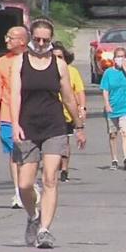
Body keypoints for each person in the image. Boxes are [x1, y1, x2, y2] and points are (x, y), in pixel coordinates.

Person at [10, 18, 86, 248]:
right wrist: (15, 124)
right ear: (30, 38)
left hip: (54, 126)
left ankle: (44, 229)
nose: (41, 43)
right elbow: (15, 95)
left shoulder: (59, 65)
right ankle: (33, 216)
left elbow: (68, 97)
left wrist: (79, 125)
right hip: (28, 126)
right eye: (37, 39)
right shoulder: (19, 62)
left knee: (50, 178)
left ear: (51, 40)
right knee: (24, 184)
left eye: (45, 40)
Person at [0, 26, 30, 209]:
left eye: (10, 37)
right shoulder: (2, 62)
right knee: (15, 154)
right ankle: (18, 192)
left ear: (22, 40)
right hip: (7, 115)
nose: (6, 40)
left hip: (30, 114)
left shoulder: (33, 60)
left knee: (30, 154)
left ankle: (28, 184)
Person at [52, 42, 86, 183]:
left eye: (60, 57)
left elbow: (79, 92)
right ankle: (53, 166)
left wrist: (82, 108)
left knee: (64, 142)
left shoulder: (72, 72)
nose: (57, 60)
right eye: (54, 57)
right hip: (50, 113)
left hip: (67, 114)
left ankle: (64, 169)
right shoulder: (46, 70)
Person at [100, 47, 126, 171]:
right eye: (118, 57)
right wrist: (107, 104)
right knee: (113, 134)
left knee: (125, 132)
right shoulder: (108, 73)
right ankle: (114, 159)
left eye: (122, 57)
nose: (120, 59)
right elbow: (105, 90)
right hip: (112, 107)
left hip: (125, 108)